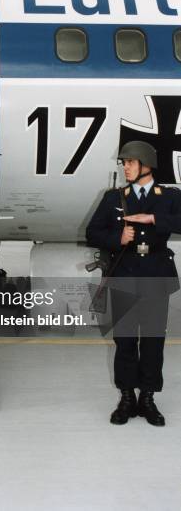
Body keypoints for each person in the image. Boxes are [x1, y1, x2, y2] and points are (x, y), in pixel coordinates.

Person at [86, 140, 181, 427]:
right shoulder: (113, 197)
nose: (125, 167)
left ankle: (148, 398)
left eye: (129, 162)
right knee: (125, 340)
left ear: (145, 165)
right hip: (124, 274)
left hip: (155, 274)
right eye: (124, 162)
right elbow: (93, 232)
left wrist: (153, 218)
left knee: (153, 340)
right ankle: (127, 397)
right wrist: (118, 239)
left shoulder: (169, 197)